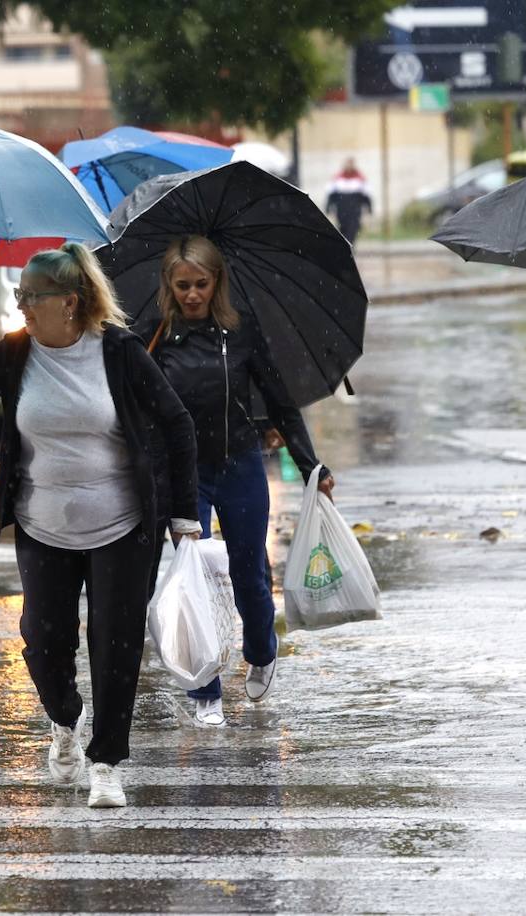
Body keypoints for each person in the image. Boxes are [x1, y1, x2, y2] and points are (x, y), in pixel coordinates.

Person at [0, 242, 199, 808]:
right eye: (19, 298)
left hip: (123, 523)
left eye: (31, 299)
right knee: (42, 641)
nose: (22, 308)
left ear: (70, 302)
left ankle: (107, 762)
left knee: (115, 645)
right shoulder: (16, 352)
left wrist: (183, 516)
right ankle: (65, 719)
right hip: (42, 524)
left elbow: (178, 426)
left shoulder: (120, 352)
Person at [145, 235, 334, 727]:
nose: (191, 294)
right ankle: (204, 690)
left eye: (201, 284)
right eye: (182, 285)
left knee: (249, 570)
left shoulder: (242, 332)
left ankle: (261, 648)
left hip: (240, 463)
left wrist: (311, 464)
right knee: (196, 581)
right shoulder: (153, 338)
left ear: (216, 283)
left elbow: (281, 404)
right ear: (169, 284)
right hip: (185, 477)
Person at [325, 158, 373, 246]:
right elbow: (331, 196)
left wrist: (369, 209)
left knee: (353, 231)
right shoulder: (338, 179)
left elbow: (366, 196)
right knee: (343, 231)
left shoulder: (360, 179)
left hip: (354, 212)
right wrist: (328, 208)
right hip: (341, 211)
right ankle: (346, 249)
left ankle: (350, 248)